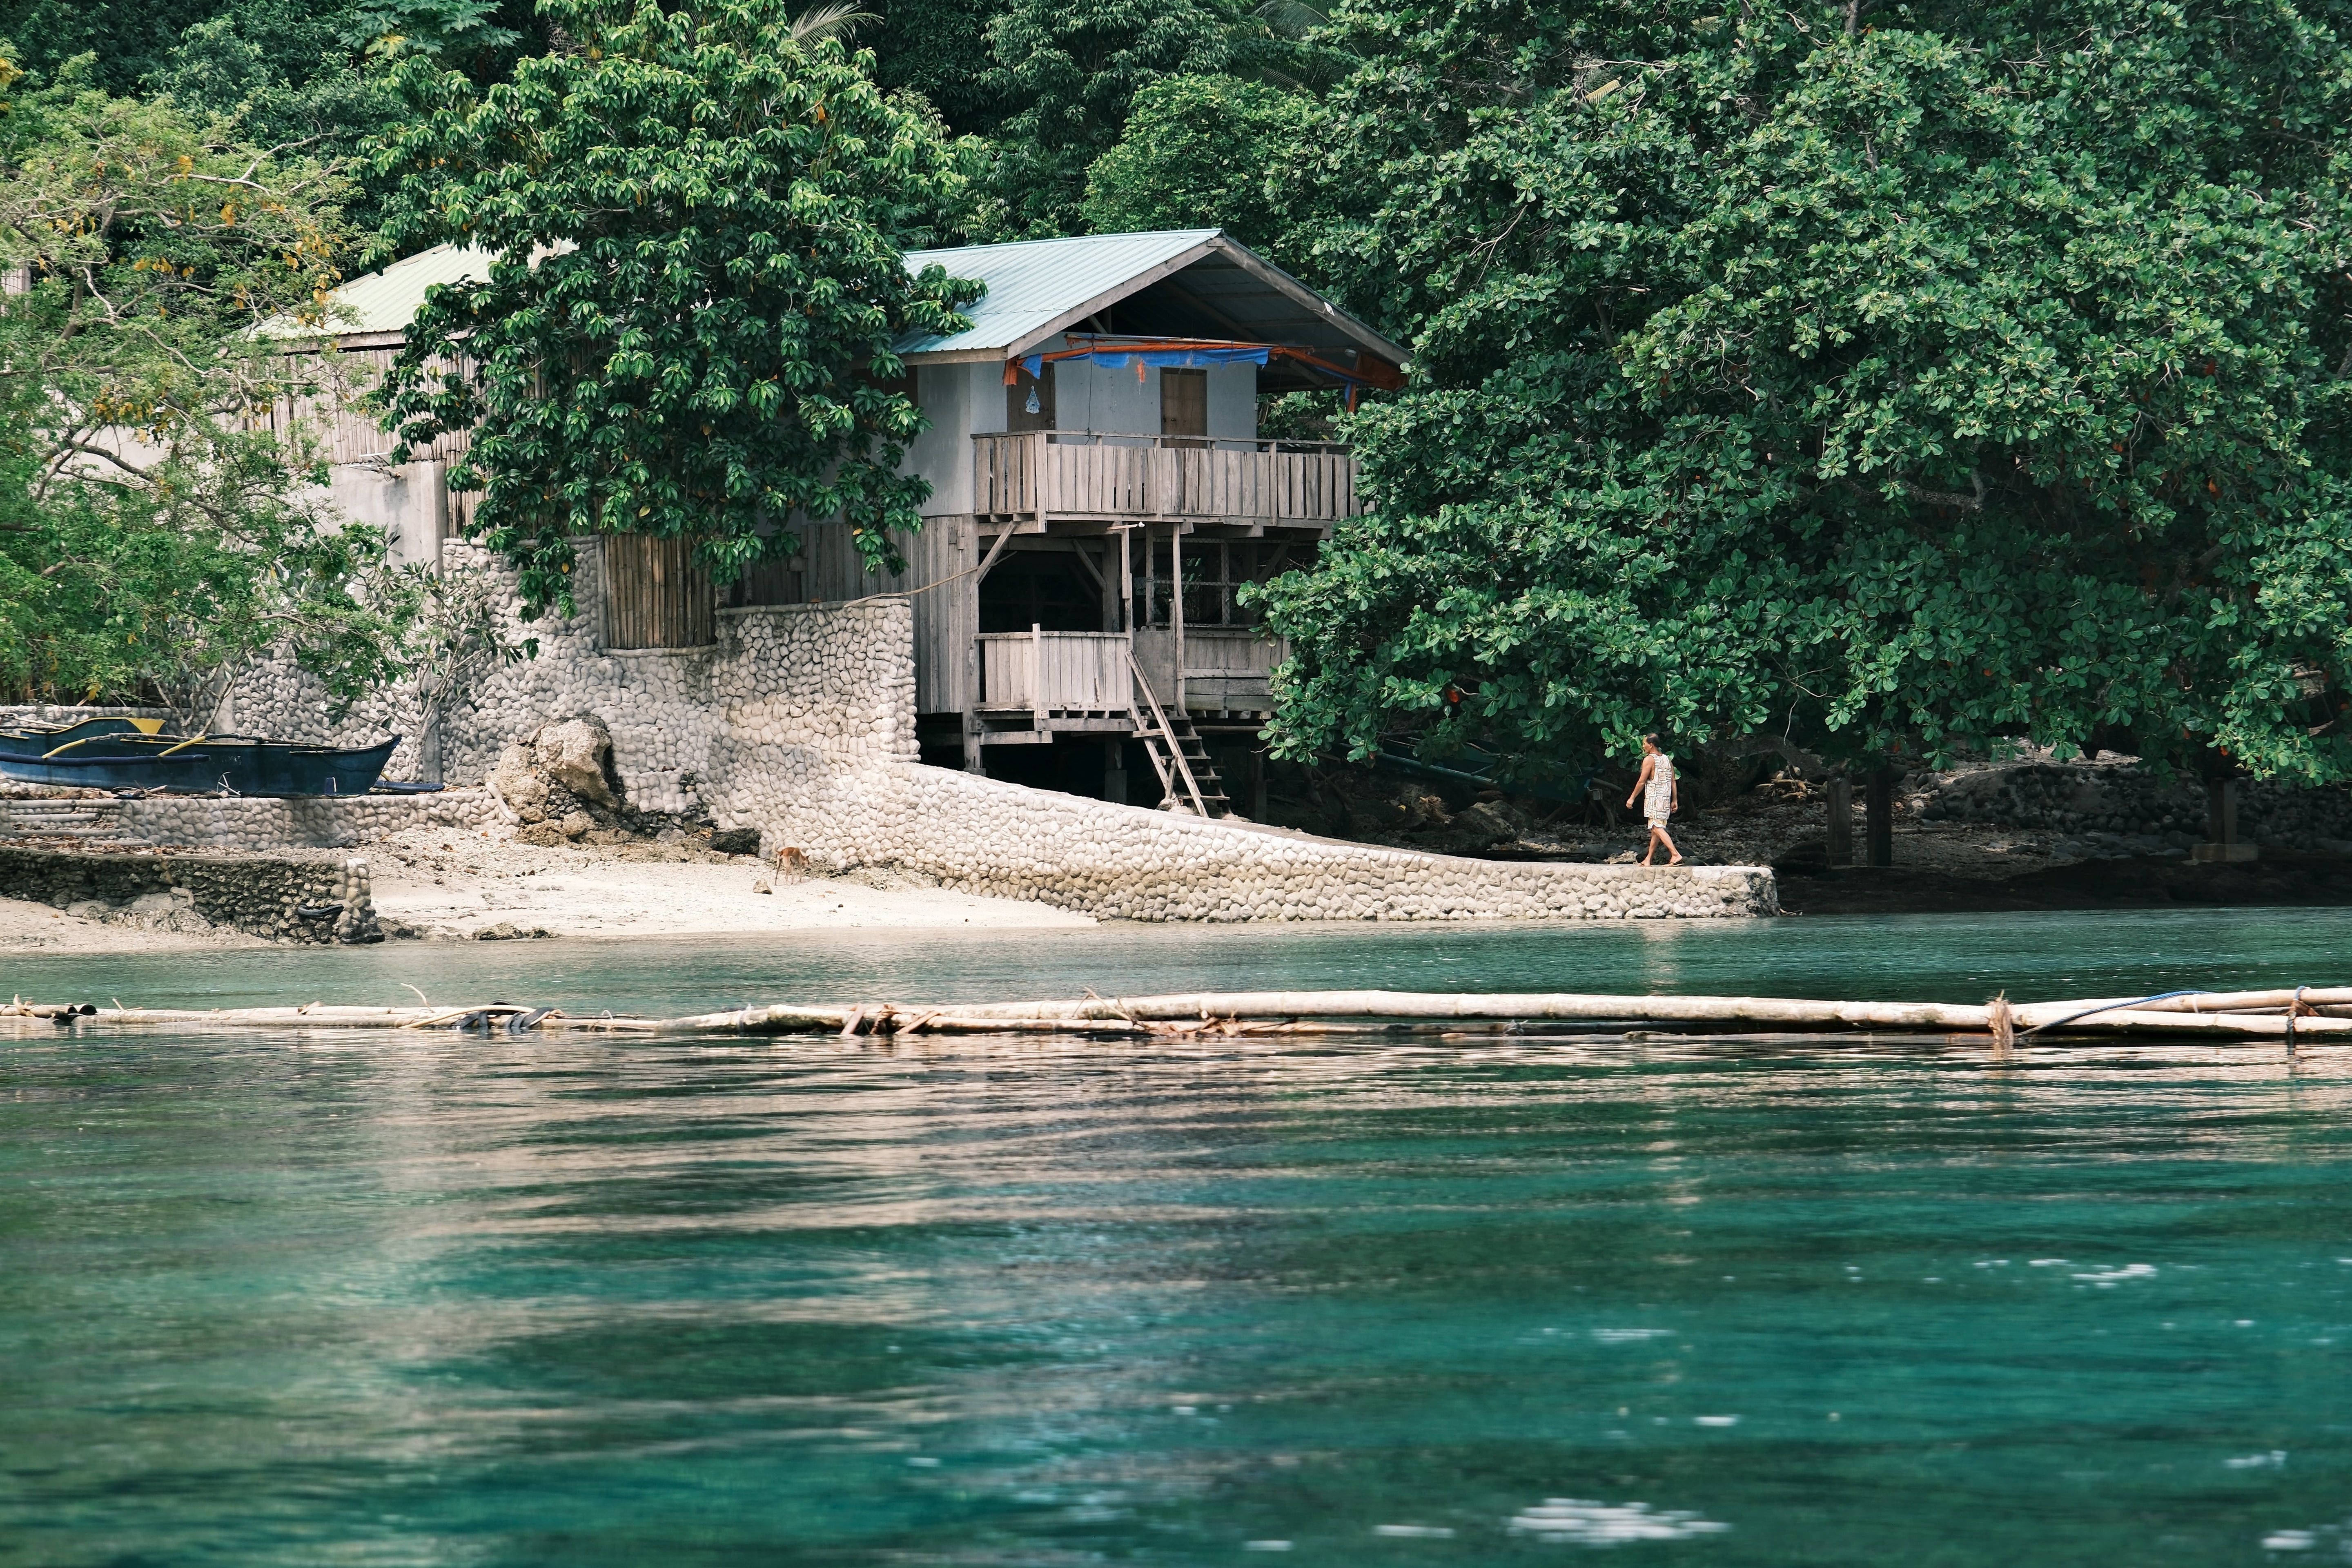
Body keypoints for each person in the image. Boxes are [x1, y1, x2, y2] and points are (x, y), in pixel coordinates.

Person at [1625, 733, 1682, 865]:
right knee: (1656, 829)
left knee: (1656, 828)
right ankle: (1648, 859)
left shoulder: (1650, 759)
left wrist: (1632, 798)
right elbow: (1673, 780)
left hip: (1655, 798)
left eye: (1645, 744)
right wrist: (1675, 800)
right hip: (1665, 798)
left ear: (1651, 745)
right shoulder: (1668, 759)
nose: (1643, 746)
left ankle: (1675, 854)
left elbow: (1642, 781)